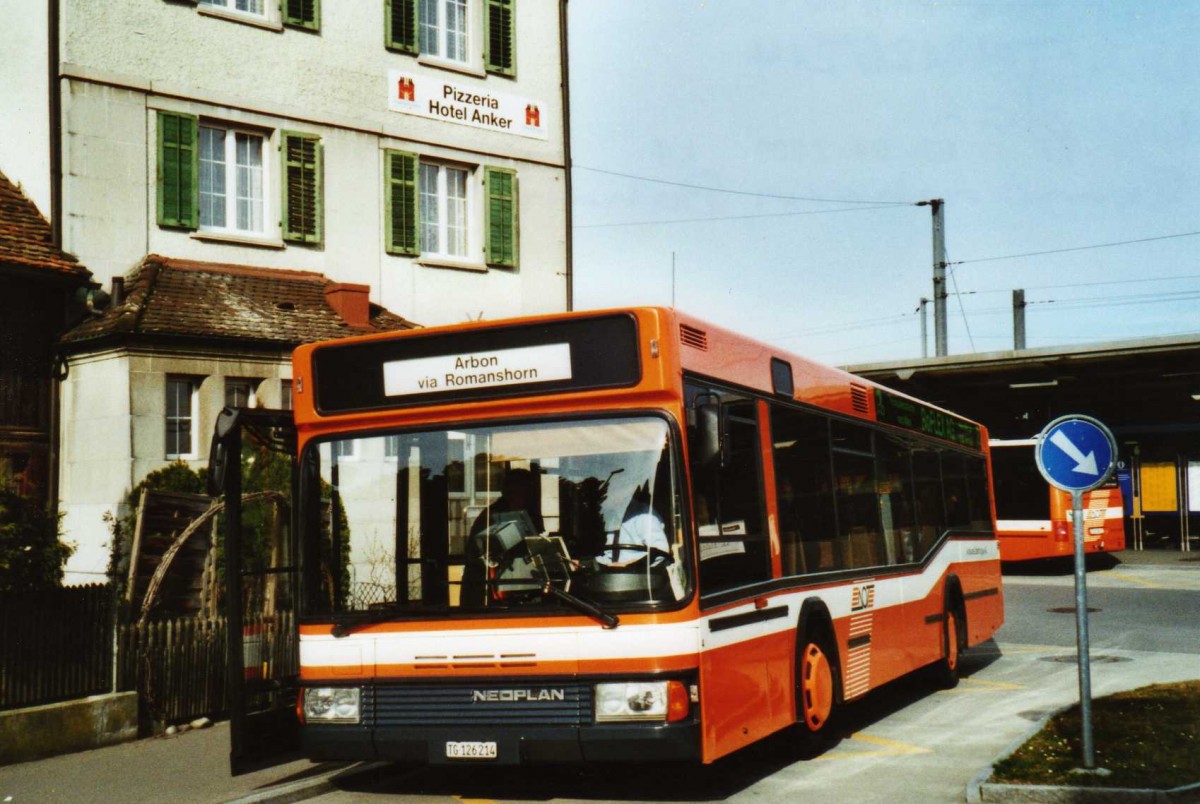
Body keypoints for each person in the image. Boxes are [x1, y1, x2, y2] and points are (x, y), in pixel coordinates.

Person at [461, 468, 541, 605]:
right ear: (507, 491)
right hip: (491, 592)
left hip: (522, 587)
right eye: (521, 491)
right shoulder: (492, 517)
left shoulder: (530, 515)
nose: (527, 496)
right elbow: (480, 554)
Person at [595, 483, 671, 568]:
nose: (609, 494)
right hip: (605, 573)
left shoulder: (644, 515)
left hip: (638, 574)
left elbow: (660, 551)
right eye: (609, 490)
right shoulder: (606, 515)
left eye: (616, 489)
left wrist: (628, 565)